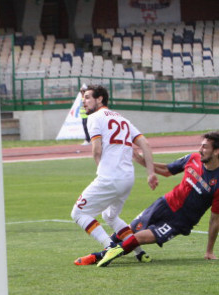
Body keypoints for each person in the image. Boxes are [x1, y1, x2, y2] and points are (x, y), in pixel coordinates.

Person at [85, 131, 219, 268]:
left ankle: (99, 256)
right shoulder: (193, 158)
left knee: (139, 238)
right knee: (130, 230)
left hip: (180, 220)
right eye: (201, 146)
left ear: (216, 151)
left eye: (205, 147)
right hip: (164, 204)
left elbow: (215, 219)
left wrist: (209, 251)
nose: (200, 150)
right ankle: (101, 253)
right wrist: (141, 161)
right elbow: (167, 170)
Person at [71, 85, 158, 266]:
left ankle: (110, 246)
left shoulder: (94, 117)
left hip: (110, 178)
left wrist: (101, 170)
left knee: (79, 213)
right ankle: (139, 252)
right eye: (83, 98)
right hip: (127, 179)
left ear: (100, 99)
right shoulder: (122, 119)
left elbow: (96, 150)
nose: (84, 102)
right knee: (110, 216)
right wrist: (150, 173)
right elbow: (145, 144)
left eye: (87, 98)